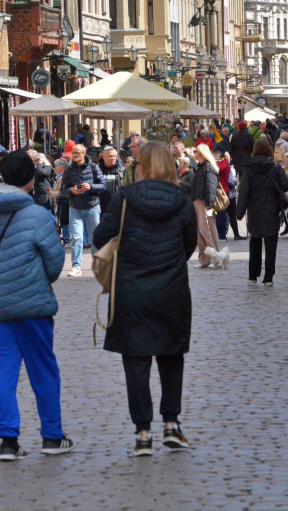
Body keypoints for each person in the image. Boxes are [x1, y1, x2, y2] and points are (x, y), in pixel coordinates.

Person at [92, 141, 197, 456]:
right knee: (171, 356)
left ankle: (142, 433)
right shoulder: (181, 200)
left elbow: (100, 237)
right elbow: (189, 244)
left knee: (136, 361)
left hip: (131, 290)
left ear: (141, 166)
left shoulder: (124, 199)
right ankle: (171, 424)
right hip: (172, 290)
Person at [0, 150, 73, 461]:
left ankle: (8, 441)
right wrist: (35, 280)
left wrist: (1, 286)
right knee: (43, 370)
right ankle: (52, 436)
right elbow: (54, 263)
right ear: (31, 178)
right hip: (34, 307)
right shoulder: (38, 215)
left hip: (1, 308)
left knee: (4, 373)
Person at [237, 137, 288, 286]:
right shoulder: (275, 168)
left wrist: (239, 212)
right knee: (271, 244)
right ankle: (268, 278)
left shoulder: (248, 168)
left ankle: (252, 276)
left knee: (255, 242)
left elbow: (244, 191)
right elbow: (286, 185)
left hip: (254, 209)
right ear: (269, 151)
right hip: (271, 208)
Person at [60, 145, 105, 278]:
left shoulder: (94, 167)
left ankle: (98, 266)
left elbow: (103, 185)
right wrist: (72, 190)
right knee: (77, 238)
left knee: (94, 237)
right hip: (75, 207)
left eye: (77, 153)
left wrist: (90, 187)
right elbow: (63, 190)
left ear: (84, 153)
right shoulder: (69, 169)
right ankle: (76, 266)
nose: (75, 156)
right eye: (73, 153)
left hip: (92, 206)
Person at [190, 144, 220, 267]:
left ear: (201, 153)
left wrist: (209, 203)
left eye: (196, 151)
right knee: (200, 232)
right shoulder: (199, 167)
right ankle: (204, 260)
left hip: (205, 202)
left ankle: (215, 259)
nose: (194, 153)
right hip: (197, 201)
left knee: (207, 230)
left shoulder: (208, 166)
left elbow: (211, 186)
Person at [96, 146, 125, 213]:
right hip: (100, 207)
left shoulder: (122, 170)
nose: (113, 158)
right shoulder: (96, 170)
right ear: (103, 157)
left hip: (117, 207)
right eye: (110, 156)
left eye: (114, 156)